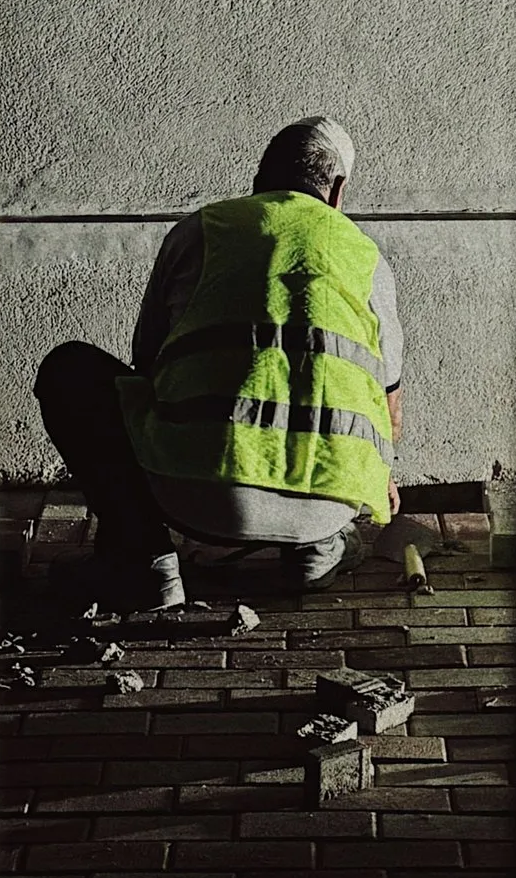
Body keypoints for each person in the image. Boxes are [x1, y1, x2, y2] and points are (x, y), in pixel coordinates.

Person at [31, 116, 403, 612]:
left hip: (191, 493)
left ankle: (144, 564)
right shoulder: (367, 258)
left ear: (257, 181)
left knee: (69, 370)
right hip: (331, 502)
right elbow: (389, 405)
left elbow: (148, 365)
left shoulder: (201, 230)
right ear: (337, 191)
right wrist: (377, 477)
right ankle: (316, 552)